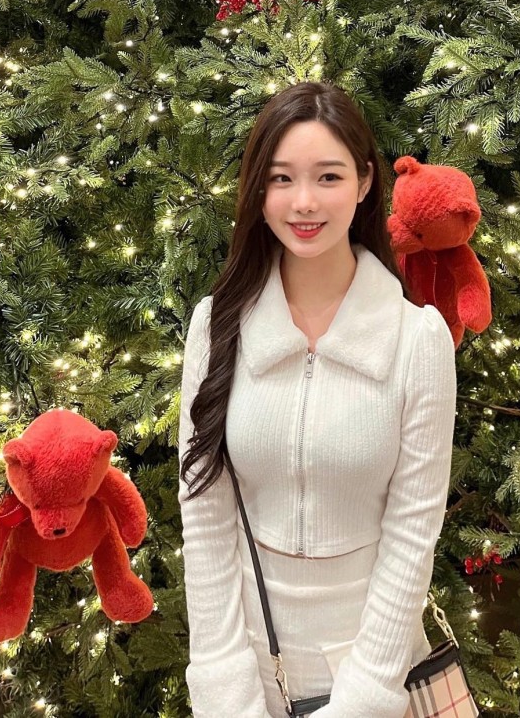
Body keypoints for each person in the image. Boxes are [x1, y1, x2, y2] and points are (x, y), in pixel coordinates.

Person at [178, 81, 458, 718]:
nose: (303, 202)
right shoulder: (217, 326)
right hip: (250, 663)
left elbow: (413, 530)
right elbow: (205, 513)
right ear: (259, 190)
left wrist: (365, 698)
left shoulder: (417, 340)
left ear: (364, 183)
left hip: (373, 667)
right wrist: (225, 689)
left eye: (328, 176)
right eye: (281, 179)